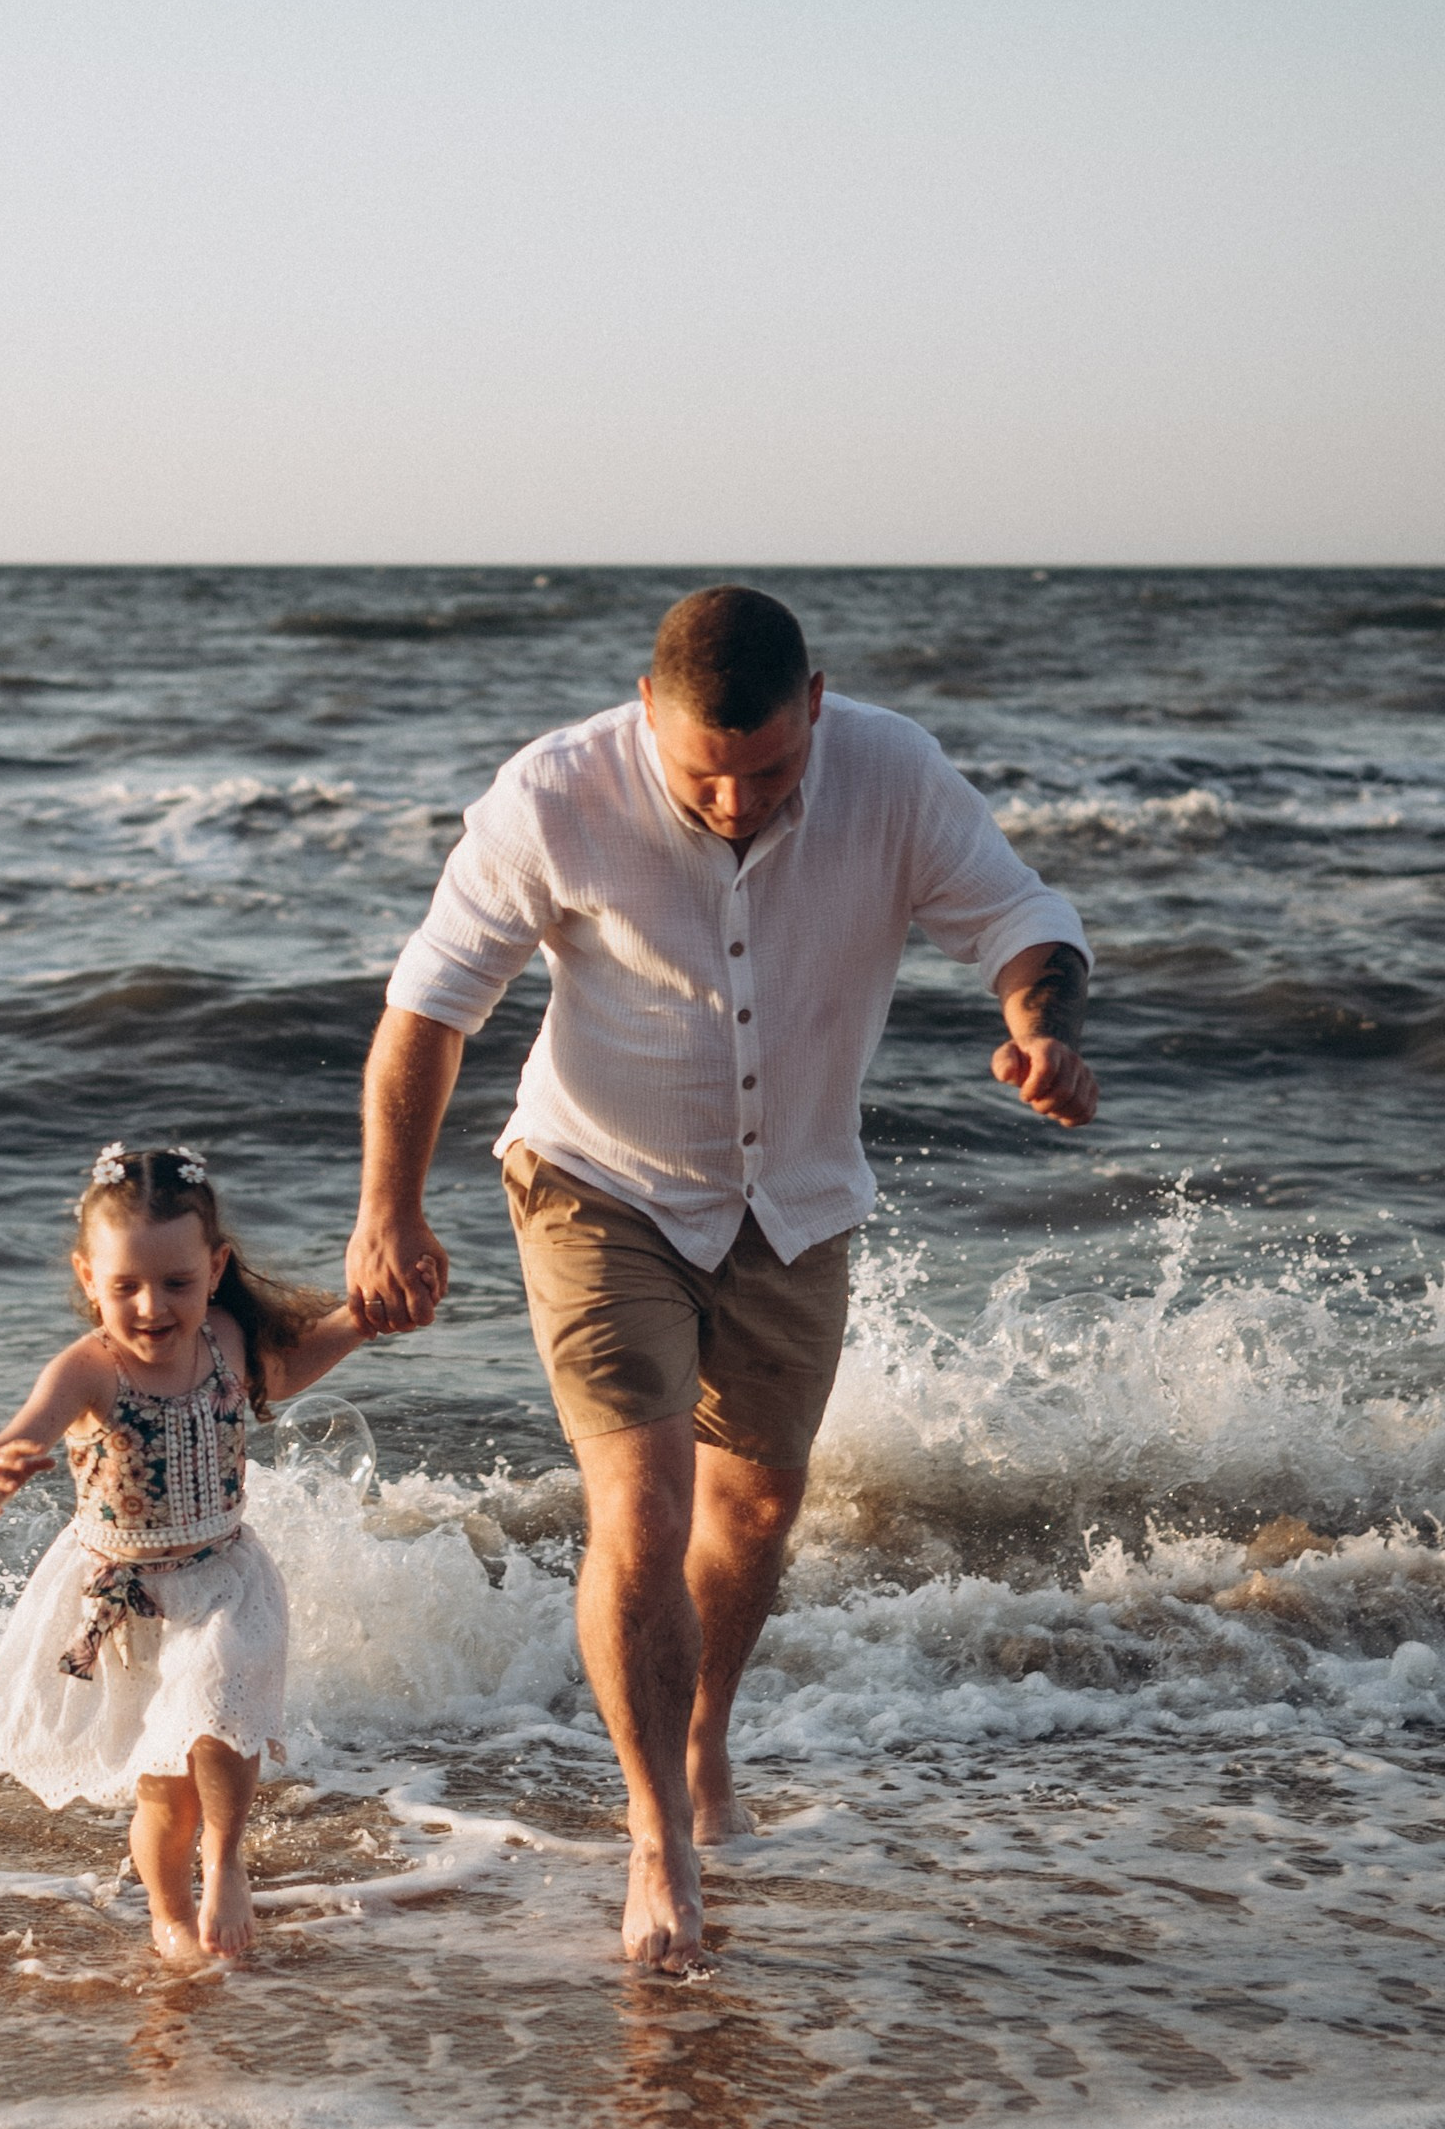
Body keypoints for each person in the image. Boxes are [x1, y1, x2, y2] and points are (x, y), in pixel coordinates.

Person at [346, 583, 1097, 1974]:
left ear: (817, 705)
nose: (741, 800)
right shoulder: (554, 795)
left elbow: (1021, 917)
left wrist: (1038, 1026)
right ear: (647, 713)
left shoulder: (890, 770)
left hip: (795, 1200)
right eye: (707, 773)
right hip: (596, 1182)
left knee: (755, 1507)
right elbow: (427, 1009)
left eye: (770, 770)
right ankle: (657, 1835)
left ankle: (702, 1745)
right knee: (643, 1494)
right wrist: (387, 1209)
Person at [0, 1140, 376, 1963]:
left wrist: (362, 1318)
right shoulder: (88, 1370)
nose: (152, 1307)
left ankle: (226, 1864)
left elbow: (286, 1371)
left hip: (222, 1576)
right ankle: (168, 1915)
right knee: (163, 1795)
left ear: (216, 1268)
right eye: (125, 1287)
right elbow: (17, 1434)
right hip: (127, 1602)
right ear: (89, 1279)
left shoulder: (224, 1337)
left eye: (176, 1283)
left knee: (222, 1718)